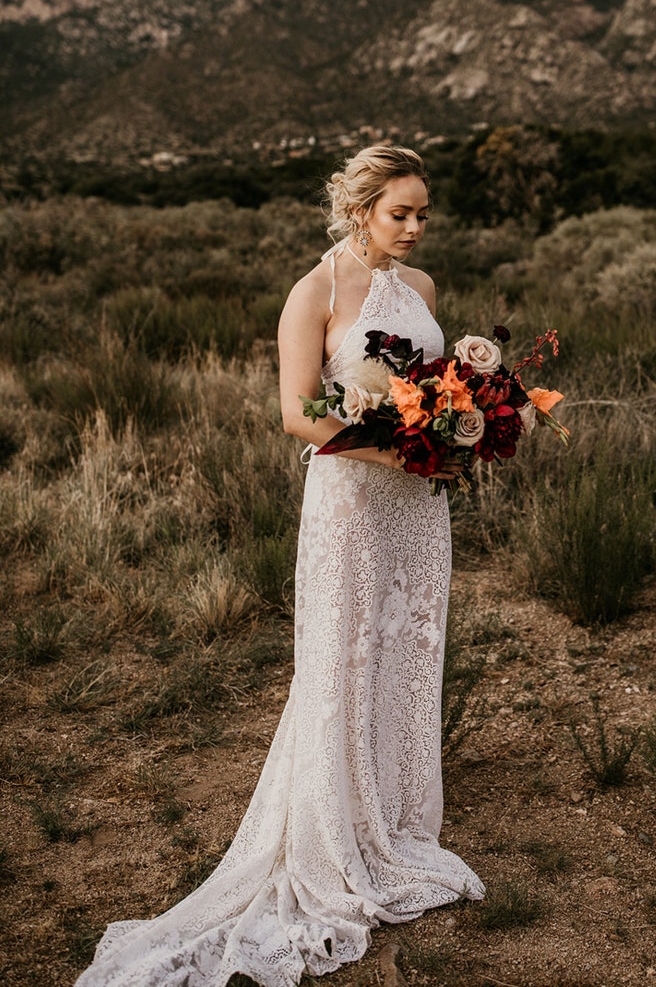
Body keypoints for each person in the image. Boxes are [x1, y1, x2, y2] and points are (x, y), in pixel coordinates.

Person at [75, 145, 483, 987]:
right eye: (399, 213)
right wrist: (403, 458)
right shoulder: (316, 292)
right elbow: (298, 415)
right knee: (342, 661)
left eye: (422, 214)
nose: (414, 228)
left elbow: (431, 391)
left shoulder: (426, 291)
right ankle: (335, 837)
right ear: (361, 207)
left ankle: (396, 825)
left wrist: (459, 431)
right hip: (353, 504)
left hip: (416, 511)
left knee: (406, 654)